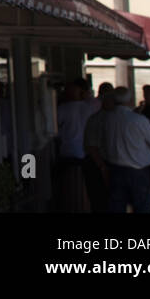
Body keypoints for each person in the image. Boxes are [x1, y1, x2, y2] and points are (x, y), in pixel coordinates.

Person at [104, 86, 150, 213]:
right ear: (129, 100)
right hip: (138, 171)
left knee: (116, 207)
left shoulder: (106, 119)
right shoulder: (139, 120)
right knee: (142, 208)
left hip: (115, 169)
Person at [55, 78, 92, 211]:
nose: (67, 91)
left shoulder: (63, 109)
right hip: (85, 154)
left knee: (68, 189)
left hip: (69, 153)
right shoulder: (90, 108)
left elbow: (54, 130)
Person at [83, 86, 115, 213]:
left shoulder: (113, 119)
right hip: (97, 164)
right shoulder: (96, 119)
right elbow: (91, 147)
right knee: (100, 201)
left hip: (107, 163)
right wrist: (102, 167)